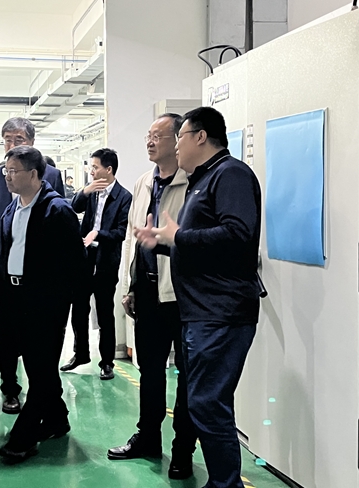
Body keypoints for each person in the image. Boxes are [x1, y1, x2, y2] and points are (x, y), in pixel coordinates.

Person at [135, 107, 261, 488]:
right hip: (201, 313)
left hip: (221, 313)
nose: (176, 146)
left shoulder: (231, 175)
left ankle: (225, 485)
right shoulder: (203, 180)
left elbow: (238, 235)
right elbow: (200, 247)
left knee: (208, 403)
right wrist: (163, 243)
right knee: (205, 402)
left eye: (181, 137)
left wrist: (179, 237)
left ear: (201, 136)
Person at [107, 114, 197, 479]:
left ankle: (183, 449)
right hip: (145, 291)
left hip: (182, 295)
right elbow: (132, 239)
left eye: (157, 136)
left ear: (177, 141)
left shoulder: (193, 183)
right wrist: (128, 286)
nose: (149, 141)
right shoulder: (143, 182)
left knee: (187, 376)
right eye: (148, 135)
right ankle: (147, 437)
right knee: (150, 371)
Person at [0, 145, 85, 462]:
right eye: (6, 171)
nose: (7, 177)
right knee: (37, 367)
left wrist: (70, 306)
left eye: (13, 171)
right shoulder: (13, 208)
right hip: (15, 298)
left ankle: (24, 435)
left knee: (42, 368)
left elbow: (76, 263)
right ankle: (57, 419)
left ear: (33, 174)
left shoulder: (57, 210)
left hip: (46, 303)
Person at [0, 117, 65, 414]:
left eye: (18, 139)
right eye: (7, 139)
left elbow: (60, 226)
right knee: (6, 335)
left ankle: (44, 396)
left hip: (39, 277)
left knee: (40, 342)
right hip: (4, 272)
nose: (12, 144)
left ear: (31, 142)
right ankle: (10, 389)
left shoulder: (51, 175)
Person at [61, 148, 132, 380]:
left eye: (95, 167)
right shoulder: (91, 192)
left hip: (106, 262)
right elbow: (73, 207)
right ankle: (80, 354)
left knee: (104, 313)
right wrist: (85, 191)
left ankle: (107, 362)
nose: (91, 172)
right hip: (84, 259)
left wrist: (98, 234)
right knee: (79, 309)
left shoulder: (124, 197)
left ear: (108, 169)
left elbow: (121, 232)